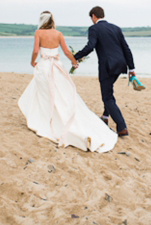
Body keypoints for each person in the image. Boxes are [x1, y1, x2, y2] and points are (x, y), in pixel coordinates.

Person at [18, 11, 118, 153]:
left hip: (44, 67)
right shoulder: (58, 34)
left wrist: (32, 61)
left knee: (45, 94)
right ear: (52, 20)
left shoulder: (38, 32)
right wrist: (74, 62)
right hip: (58, 67)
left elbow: (35, 50)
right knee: (61, 94)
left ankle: (47, 119)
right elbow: (65, 51)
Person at [72, 6, 135, 137]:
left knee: (107, 97)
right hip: (120, 65)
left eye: (91, 18)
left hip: (107, 66)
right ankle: (105, 117)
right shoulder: (116, 28)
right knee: (109, 91)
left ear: (94, 16)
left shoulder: (94, 28)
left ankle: (122, 127)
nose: (91, 20)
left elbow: (90, 46)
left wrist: (75, 56)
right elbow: (126, 48)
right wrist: (132, 68)